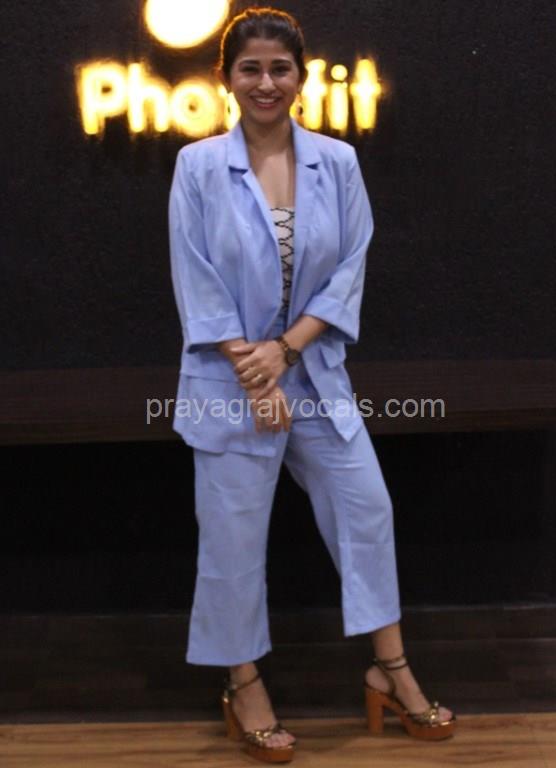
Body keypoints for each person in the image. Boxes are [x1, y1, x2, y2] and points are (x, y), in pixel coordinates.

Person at [168, 6, 456, 763]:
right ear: (226, 77)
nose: (265, 83)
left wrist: (284, 355)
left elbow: (349, 267)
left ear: (300, 76)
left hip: (314, 373)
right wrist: (254, 370)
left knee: (367, 509)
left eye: (280, 68)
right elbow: (196, 279)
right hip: (227, 381)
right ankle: (242, 683)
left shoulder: (338, 161)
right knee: (232, 539)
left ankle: (389, 668)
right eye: (250, 69)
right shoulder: (198, 166)